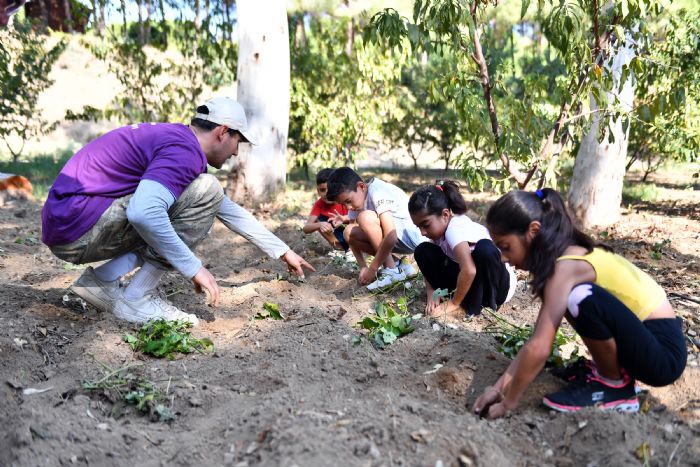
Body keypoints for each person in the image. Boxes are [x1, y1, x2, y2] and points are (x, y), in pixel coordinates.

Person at [42, 97, 314, 325]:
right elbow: (144, 213)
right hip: (78, 228)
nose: (234, 154)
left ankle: (101, 281)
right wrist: (193, 268)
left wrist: (282, 250)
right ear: (222, 132)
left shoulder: (177, 140)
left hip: (71, 224)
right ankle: (137, 299)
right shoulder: (183, 151)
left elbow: (224, 207)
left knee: (202, 193)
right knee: (199, 192)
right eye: (238, 143)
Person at [473, 188, 686, 419]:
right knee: (575, 299)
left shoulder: (566, 267)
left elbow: (540, 347)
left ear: (533, 231)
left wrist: (508, 404)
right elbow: (535, 343)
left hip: (663, 355)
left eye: (506, 247)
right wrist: (497, 389)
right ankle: (611, 375)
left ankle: (613, 386)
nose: (503, 257)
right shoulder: (563, 260)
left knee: (580, 297)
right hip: (646, 342)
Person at [408, 180, 516, 317]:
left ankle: (471, 307)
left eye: (426, 224)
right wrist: (432, 292)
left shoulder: (454, 229)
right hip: (473, 283)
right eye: (419, 227)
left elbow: (469, 270)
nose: (422, 232)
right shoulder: (438, 233)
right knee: (423, 251)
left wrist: (454, 303)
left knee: (484, 249)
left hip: (496, 288)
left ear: (445, 215)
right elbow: (429, 268)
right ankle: (464, 299)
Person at [325, 167, 424, 290]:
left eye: (348, 201)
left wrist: (373, 269)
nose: (348, 207)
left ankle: (391, 270)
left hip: (414, 237)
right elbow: (352, 236)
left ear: (361, 186)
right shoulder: (357, 201)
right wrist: (363, 267)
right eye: (343, 204)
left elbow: (391, 235)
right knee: (348, 232)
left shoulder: (377, 191)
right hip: (397, 240)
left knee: (365, 218)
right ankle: (400, 265)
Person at [302, 168, 350, 252]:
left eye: (329, 189)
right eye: (322, 190)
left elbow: (358, 218)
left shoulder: (343, 199)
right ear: (318, 191)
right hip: (337, 237)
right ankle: (340, 248)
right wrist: (320, 224)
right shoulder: (319, 204)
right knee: (317, 221)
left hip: (352, 235)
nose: (326, 193)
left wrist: (344, 219)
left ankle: (353, 249)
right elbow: (306, 228)